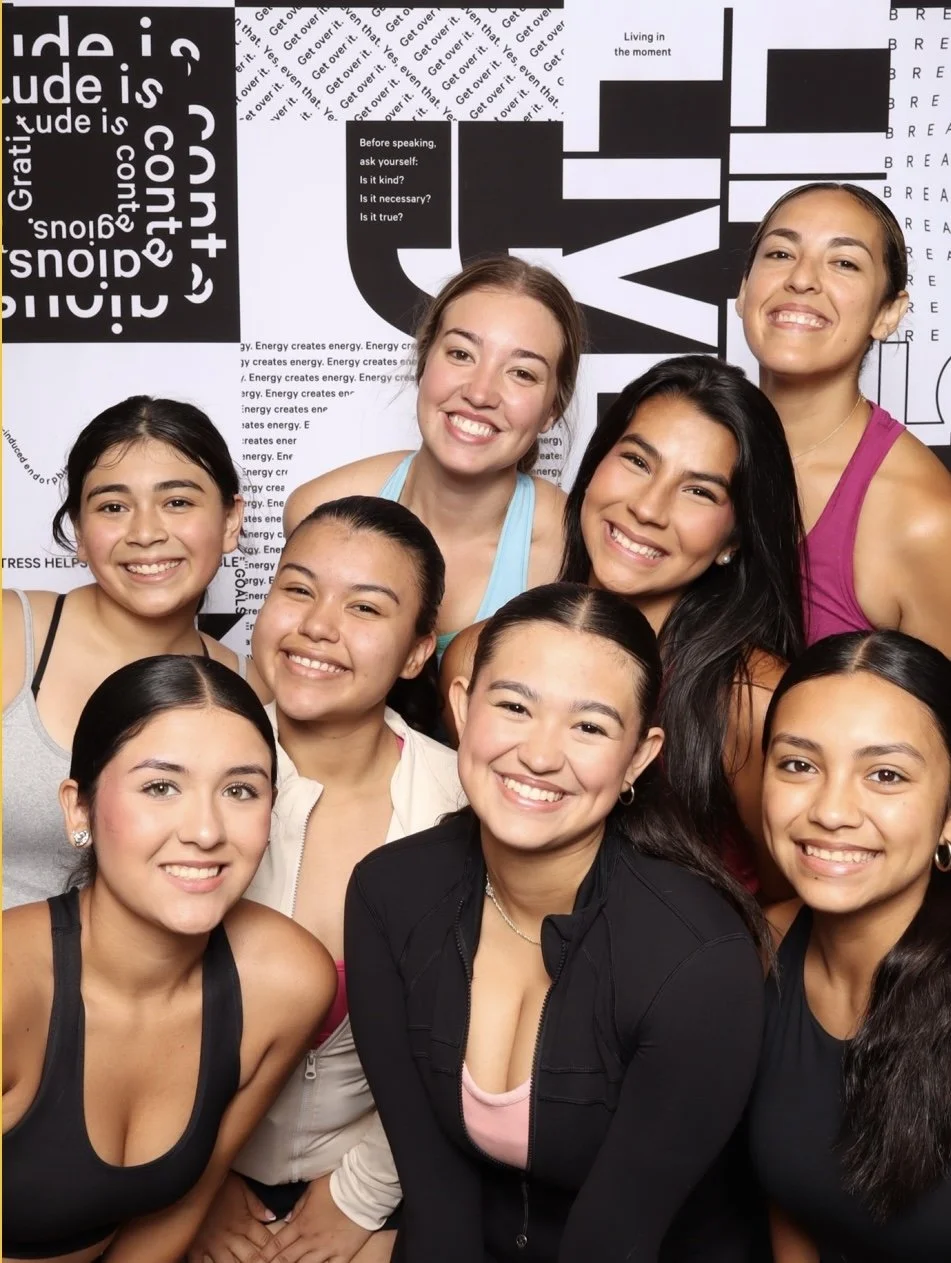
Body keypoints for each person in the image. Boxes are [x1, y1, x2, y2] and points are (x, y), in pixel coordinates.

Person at [346, 583, 766, 1262]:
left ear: (638, 755)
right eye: (513, 706)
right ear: (459, 707)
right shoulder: (387, 893)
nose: (540, 755)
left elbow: (615, 1241)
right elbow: (436, 1197)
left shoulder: (696, 959)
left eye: (589, 726)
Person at [189, 497, 464, 1263]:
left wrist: (363, 1195)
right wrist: (190, 1186)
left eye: (365, 606)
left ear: (416, 652)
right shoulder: (179, 771)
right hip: (188, 1181)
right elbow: (123, 1002)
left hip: (393, 1194)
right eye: (297, 588)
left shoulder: (466, 804)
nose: (316, 624)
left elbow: (484, 1039)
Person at [2, 655, 336, 1263]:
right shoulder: (8, 986)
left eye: (240, 790)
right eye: (161, 786)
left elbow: (178, 1213)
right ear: (79, 808)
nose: (206, 830)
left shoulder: (284, 981)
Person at [443, 355, 804, 897]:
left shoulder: (752, 700)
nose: (648, 508)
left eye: (699, 491)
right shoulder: (482, 655)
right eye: (637, 461)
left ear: (733, 540)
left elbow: (790, 901)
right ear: (592, 469)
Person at [2, 395, 267, 909]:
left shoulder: (252, 689)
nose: (146, 533)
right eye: (113, 507)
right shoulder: (14, 633)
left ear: (231, 520)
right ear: (79, 530)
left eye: (178, 502)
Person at [749, 630, 951, 1262]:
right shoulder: (758, 949)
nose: (832, 811)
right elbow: (795, 1206)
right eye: (799, 765)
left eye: (885, 774)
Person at [283, 256, 586, 655]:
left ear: (552, 410)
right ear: (424, 363)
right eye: (461, 354)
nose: (480, 393)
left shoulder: (573, 549)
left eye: (522, 373)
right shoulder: (320, 510)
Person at [737, 181, 951, 653]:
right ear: (743, 291)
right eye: (779, 254)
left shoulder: (924, 517)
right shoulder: (689, 450)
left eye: (845, 263)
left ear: (888, 313)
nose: (802, 279)